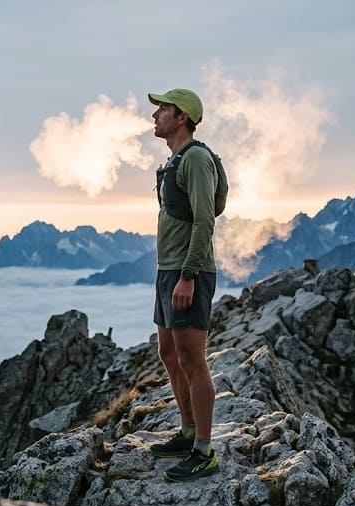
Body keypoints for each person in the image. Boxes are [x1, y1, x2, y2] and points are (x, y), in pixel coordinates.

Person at [146, 88, 219, 482]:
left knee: (192, 360)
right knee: (169, 354)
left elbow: (205, 220)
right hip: (168, 269)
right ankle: (188, 431)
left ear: (183, 117)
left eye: (164, 109)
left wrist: (189, 275)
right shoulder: (174, 162)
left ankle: (205, 452)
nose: (155, 114)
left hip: (188, 271)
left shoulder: (196, 160)